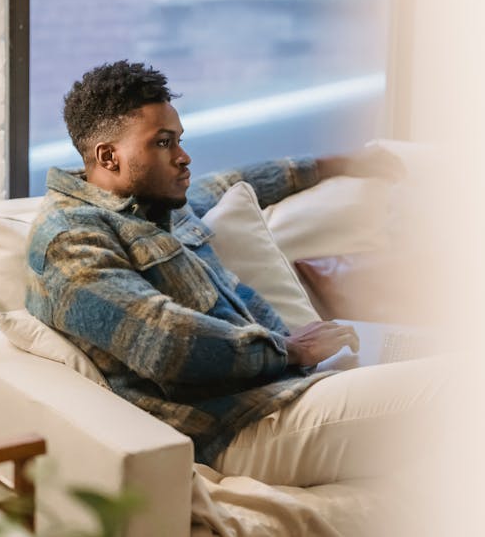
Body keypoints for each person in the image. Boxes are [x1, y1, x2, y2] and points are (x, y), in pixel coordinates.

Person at [25, 60, 447, 489]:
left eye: (179, 140)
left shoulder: (152, 201)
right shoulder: (71, 240)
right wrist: (288, 350)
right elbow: (163, 341)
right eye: (164, 142)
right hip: (241, 426)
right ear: (108, 156)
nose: (183, 157)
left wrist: (337, 164)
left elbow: (230, 182)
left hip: (295, 385)